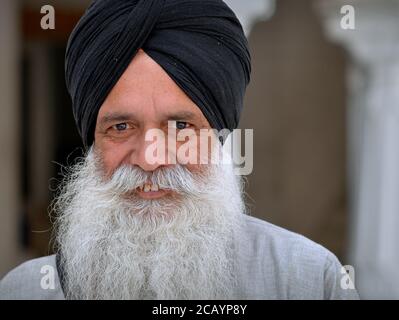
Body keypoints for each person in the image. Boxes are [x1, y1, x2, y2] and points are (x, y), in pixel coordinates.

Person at [0, 0, 359, 300]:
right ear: (93, 142)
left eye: (181, 127)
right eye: (121, 127)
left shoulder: (307, 281)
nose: (151, 158)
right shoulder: (25, 291)